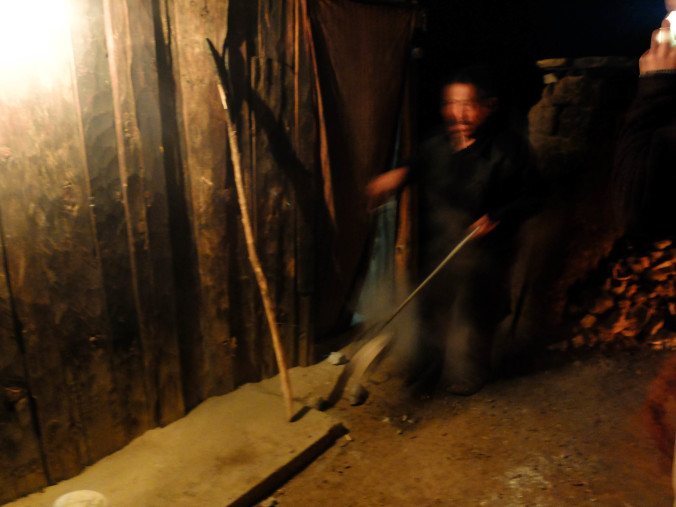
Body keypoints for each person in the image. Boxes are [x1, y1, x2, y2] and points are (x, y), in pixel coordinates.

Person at [367, 65, 542, 395]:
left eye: (467, 104)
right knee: (430, 307)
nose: (457, 113)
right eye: (451, 103)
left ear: (487, 106)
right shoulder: (437, 143)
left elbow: (535, 195)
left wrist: (497, 215)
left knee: (476, 313)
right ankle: (427, 369)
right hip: (442, 245)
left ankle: (470, 374)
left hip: (488, 251)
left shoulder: (508, 148)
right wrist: (398, 175)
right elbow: (416, 164)